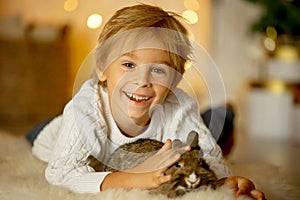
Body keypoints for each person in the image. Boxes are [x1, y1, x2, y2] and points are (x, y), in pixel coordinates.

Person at [28, 4, 265, 199]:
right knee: (39, 133)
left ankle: (224, 112)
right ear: (101, 68)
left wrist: (225, 183)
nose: (141, 81)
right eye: (128, 65)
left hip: (172, 128)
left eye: (158, 70)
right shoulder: (86, 109)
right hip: (54, 132)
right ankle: (221, 114)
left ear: (175, 80)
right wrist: (135, 178)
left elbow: (207, 154)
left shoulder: (178, 105)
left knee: (210, 130)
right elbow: (60, 173)